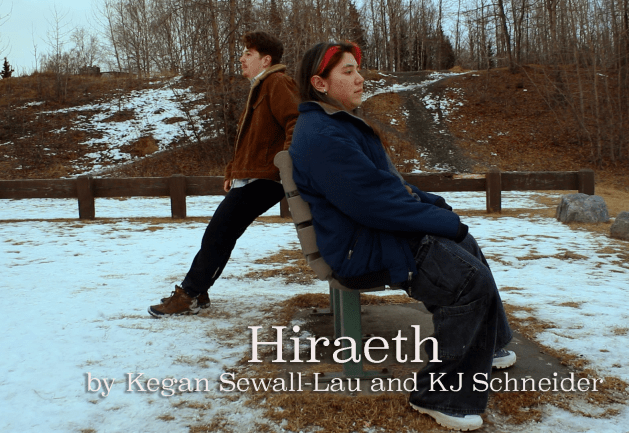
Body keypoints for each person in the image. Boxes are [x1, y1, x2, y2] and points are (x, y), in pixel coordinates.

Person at [288, 41, 515, 431]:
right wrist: (443, 221)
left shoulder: (334, 124)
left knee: (465, 247)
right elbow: (374, 203)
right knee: (466, 280)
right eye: (347, 72)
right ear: (320, 84)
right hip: (361, 247)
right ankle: (438, 395)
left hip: (370, 232)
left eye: (358, 69)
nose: (360, 78)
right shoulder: (324, 135)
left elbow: (386, 188)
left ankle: (488, 346)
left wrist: (436, 207)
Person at [149, 31, 299, 317]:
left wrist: (288, 161)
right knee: (220, 234)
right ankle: (198, 291)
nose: (241, 58)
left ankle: (190, 294)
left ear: (266, 60)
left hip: (266, 177)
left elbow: (296, 119)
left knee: (218, 233)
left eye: (248, 54)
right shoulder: (261, 86)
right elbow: (248, 139)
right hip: (253, 175)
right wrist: (233, 170)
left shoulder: (277, 82)